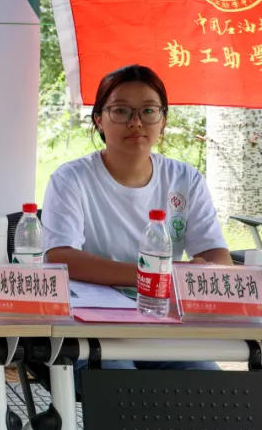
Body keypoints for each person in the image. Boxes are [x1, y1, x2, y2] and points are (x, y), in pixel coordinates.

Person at [43, 64, 232, 372]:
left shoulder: (184, 178)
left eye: (148, 111)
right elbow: (61, 256)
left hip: (163, 323)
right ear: (99, 119)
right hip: (90, 327)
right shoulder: (71, 179)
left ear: (164, 120)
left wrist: (203, 270)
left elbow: (216, 255)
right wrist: (152, 276)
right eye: (121, 111)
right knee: (121, 380)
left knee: (206, 379)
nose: (136, 122)